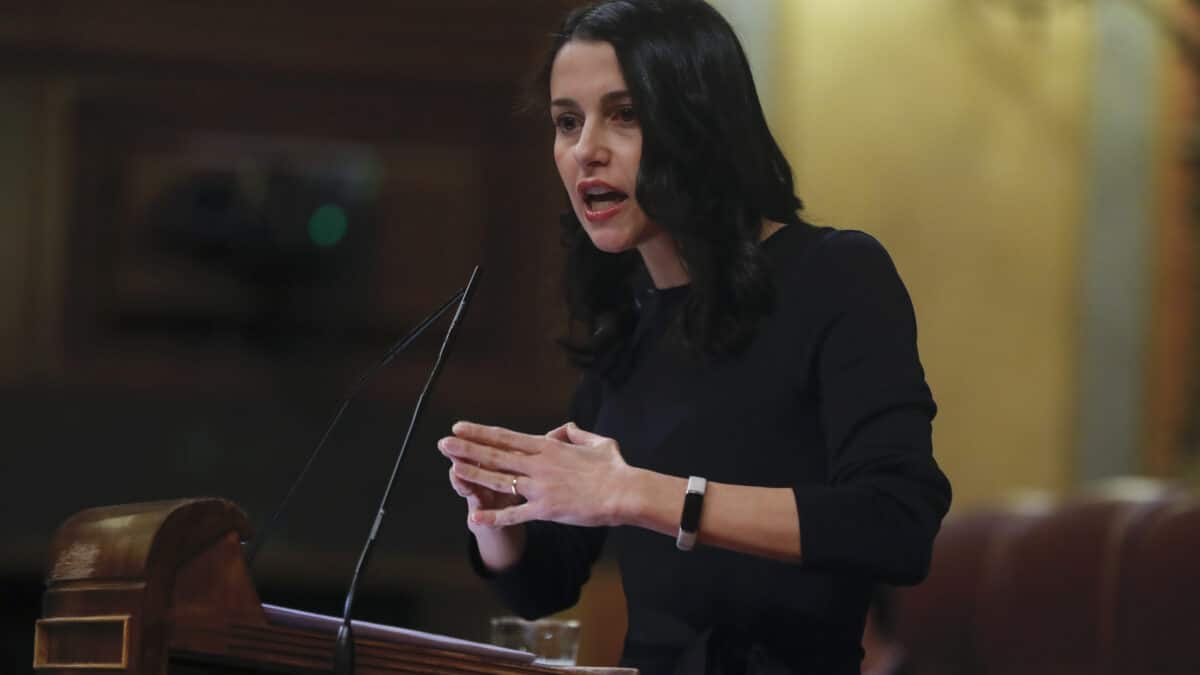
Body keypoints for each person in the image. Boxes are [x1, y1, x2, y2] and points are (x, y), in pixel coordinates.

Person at [436, 1, 952, 672]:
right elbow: (546, 584)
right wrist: (500, 515)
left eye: (624, 114)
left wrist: (640, 494)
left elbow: (897, 523)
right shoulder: (631, 319)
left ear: (698, 121)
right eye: (568, 121)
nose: (586, 148)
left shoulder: (835, 275)